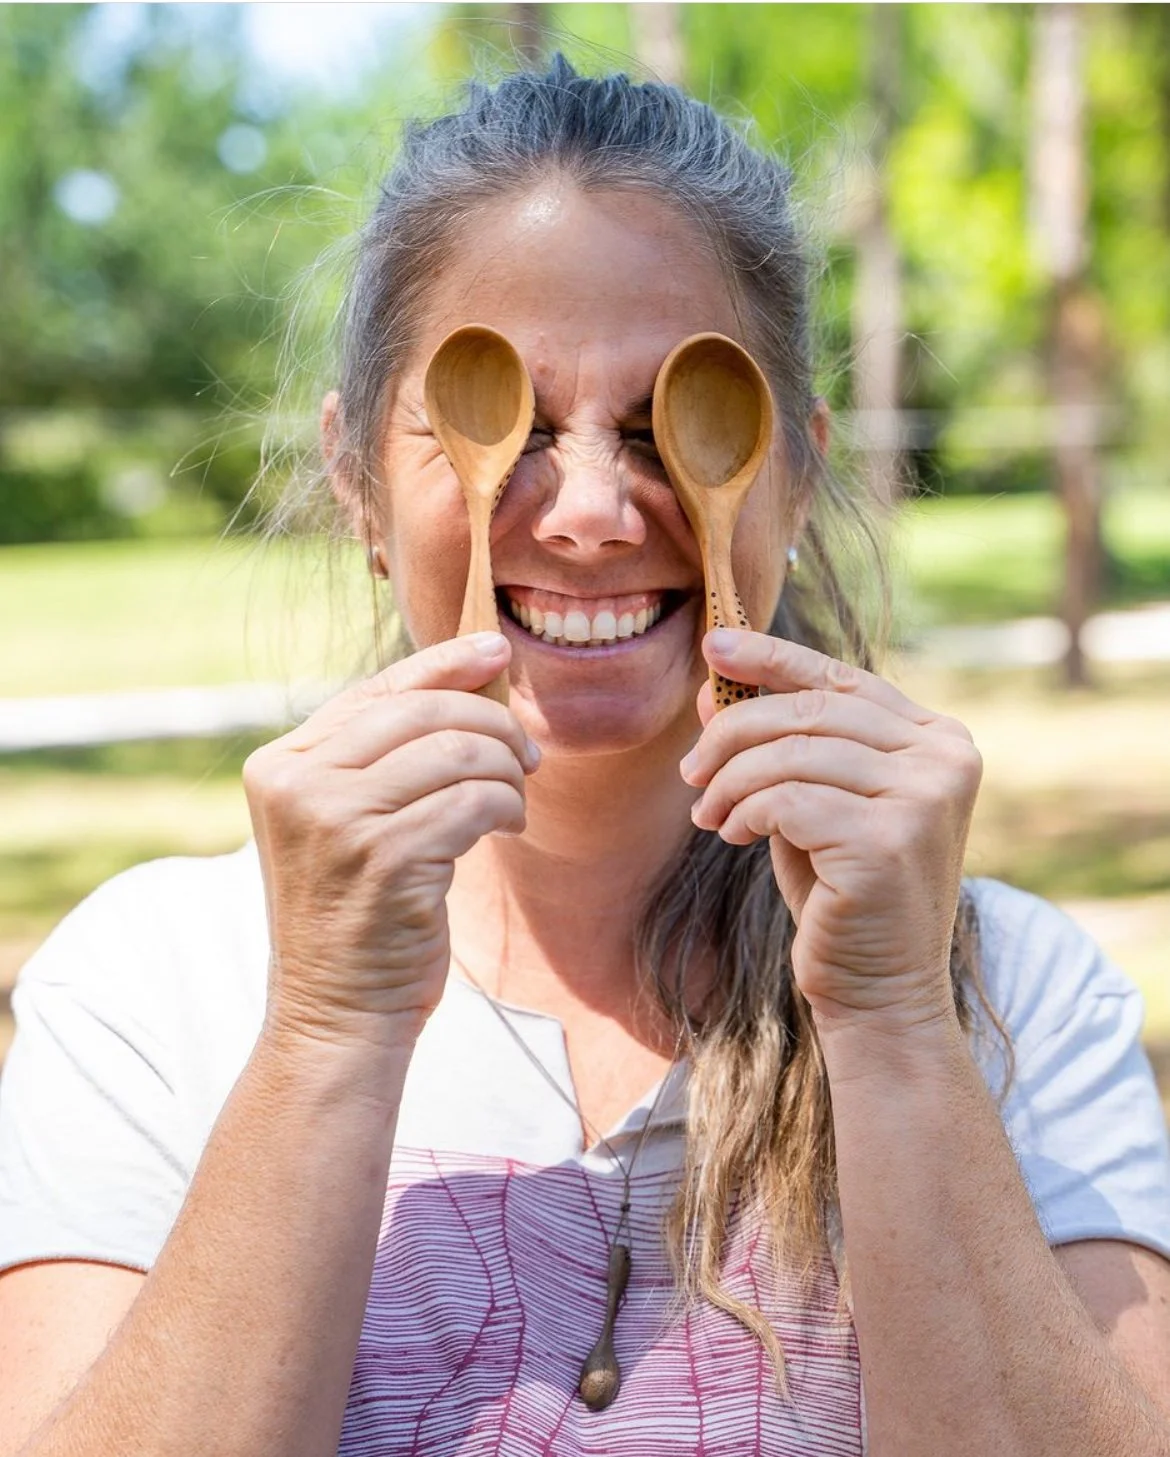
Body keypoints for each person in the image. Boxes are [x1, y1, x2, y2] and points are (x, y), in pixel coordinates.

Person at [1, 55, 1169, 1457]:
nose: (593, 511)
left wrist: (895, 1026)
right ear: (357, 481)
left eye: (662, 426)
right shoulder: (151, 987)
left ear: (790, 471)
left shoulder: (1010, 999)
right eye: (517, 428)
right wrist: (326, 1027)